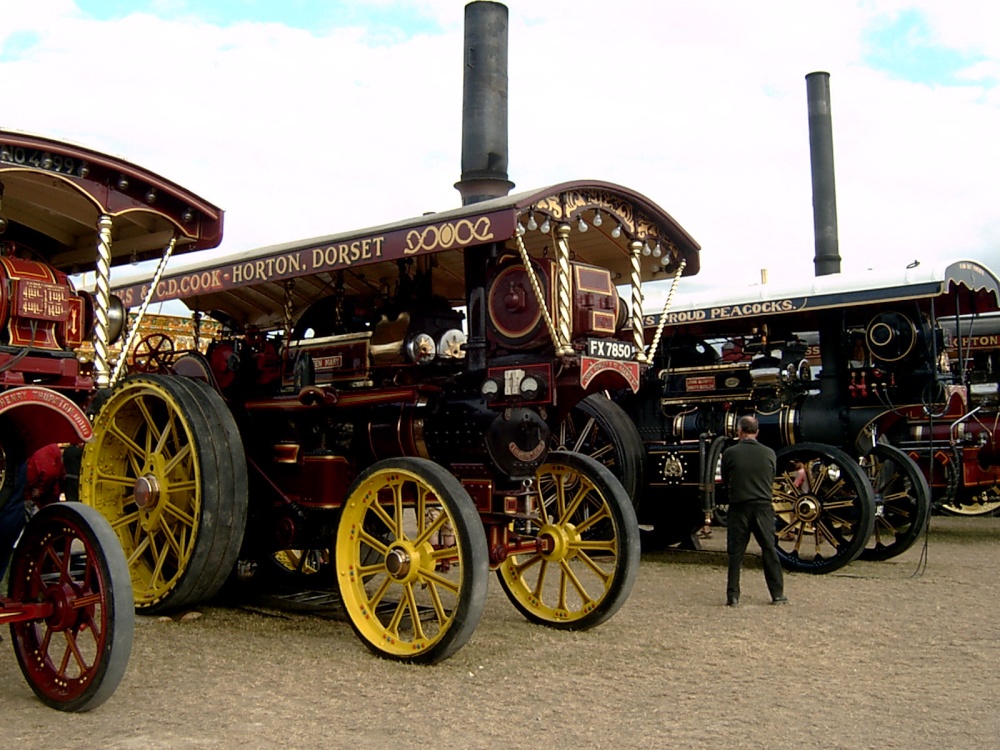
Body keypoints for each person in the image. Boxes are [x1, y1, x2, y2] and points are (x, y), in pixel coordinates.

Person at [719, 416, 787, 607]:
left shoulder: (730, 453)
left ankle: (733, 595)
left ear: (739, 431)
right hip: (763, 505)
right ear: (757, 432)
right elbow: (771, 476)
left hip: (739, 505)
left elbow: (725, 479)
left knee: (736, 553)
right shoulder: (769, 453)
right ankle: (777, 593)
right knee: (769, 549)